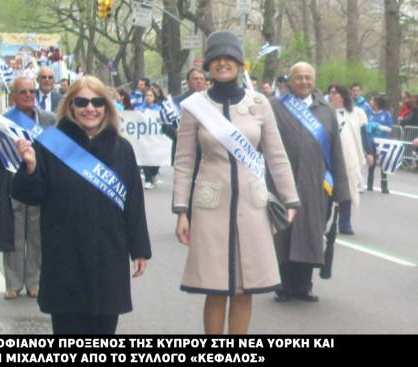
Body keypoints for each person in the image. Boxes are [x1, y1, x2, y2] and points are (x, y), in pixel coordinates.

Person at [173, 31, 300, 334]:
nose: (223, 63)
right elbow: (184, 161)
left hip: (253, 205)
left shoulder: (259, 104)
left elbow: (277, 155)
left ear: (240, 63)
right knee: (215, 289)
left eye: (230, 58)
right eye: (217, 58)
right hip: (210, 204)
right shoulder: (195, 106)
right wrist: (181, 210)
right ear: (209, 65)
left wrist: (290, 198)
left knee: (246, 289)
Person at [12, 75, 151, 334]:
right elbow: (30, 195)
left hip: (108, 259)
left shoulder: (122, 149)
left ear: (107, 107)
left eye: (97, 101)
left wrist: (139, 248)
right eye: (82, 101)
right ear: (71, 106)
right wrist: (30, 167)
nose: (90, 108)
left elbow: (134, 203)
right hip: (65, 260)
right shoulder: (50, 144)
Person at [268, 62, 350, 303]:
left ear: (314, 80)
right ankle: (281, 285)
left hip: (316, 185)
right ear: (290, 81)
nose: (303, 82)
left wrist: (341, 191)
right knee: (282, 234)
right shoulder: (275, 107)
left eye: (308, 77)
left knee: (310, 235)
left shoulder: (326, 110)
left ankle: (303, 286)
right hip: (282, 184)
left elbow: (336, 152)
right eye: (299, 77)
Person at [0, 76, 55, 300]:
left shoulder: (48, 120)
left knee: (37, 234)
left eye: (32, 91)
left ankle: (35, 282)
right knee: (13, 234)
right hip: (12, 184)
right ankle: (13, 283)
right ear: (13, 96)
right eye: (23, 92)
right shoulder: (2, 121)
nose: (29, 95)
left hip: (39, 183)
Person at [328, 84, 374, 235]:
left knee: (347, 189)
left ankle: (345, 223)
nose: (332, 95)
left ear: (342, 95)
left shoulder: (357, 113)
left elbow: (363, 134)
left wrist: (369, 152)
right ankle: (322, 220)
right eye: (330, 93)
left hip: (350, 157)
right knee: (326, 189)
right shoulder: (325, 112)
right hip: (329, 157)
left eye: (335, 93)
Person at [135, 88, 163, 190]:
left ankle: (153, 174)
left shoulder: (159, 108)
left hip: (156, 139)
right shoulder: (139, 108)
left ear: (155, 98)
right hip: (144, 138)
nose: (148, 97)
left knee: (157, 161)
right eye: (146, 95)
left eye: (150, 95)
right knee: (145, 159)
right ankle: (147, 180)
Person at [366, 94, 394, 194]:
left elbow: (390, 128)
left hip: (383, 143)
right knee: (371, 164)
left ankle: (384, 187)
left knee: (383, 165)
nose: (370, 102)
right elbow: (365, 125)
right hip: (372, 143)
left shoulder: (386, 114)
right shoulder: (369, 113)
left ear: (377, 103)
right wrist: (368, 126)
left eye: (372, 100)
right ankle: (369, 185)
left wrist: (378, 126)